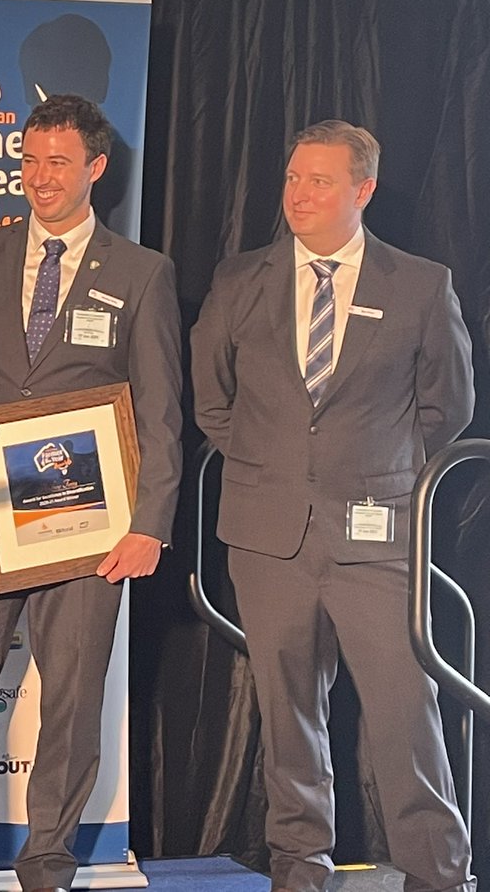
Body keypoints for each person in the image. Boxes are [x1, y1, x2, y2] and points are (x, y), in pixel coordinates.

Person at [190, 119, 475, 892]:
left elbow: (447, 409)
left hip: (376, 536)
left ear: (363, 190)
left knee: (403, 712)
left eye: (319, 180)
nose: (299, 195)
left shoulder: (420, 284)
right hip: (265, 533)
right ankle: (299, 868)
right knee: (287, 717)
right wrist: (267, 461)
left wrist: (378, 468)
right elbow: (212, 401)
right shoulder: (238, 280)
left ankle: (439, 873)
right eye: (292, 178)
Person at [0, 94, 182, 892]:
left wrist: (151, 525)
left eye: (57, 162)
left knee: (69, 706)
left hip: (88, 533)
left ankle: (47, 866)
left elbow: (164, 416)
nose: (39, 177)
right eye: (29, 161)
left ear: (95, 168)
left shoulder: (142, 274)